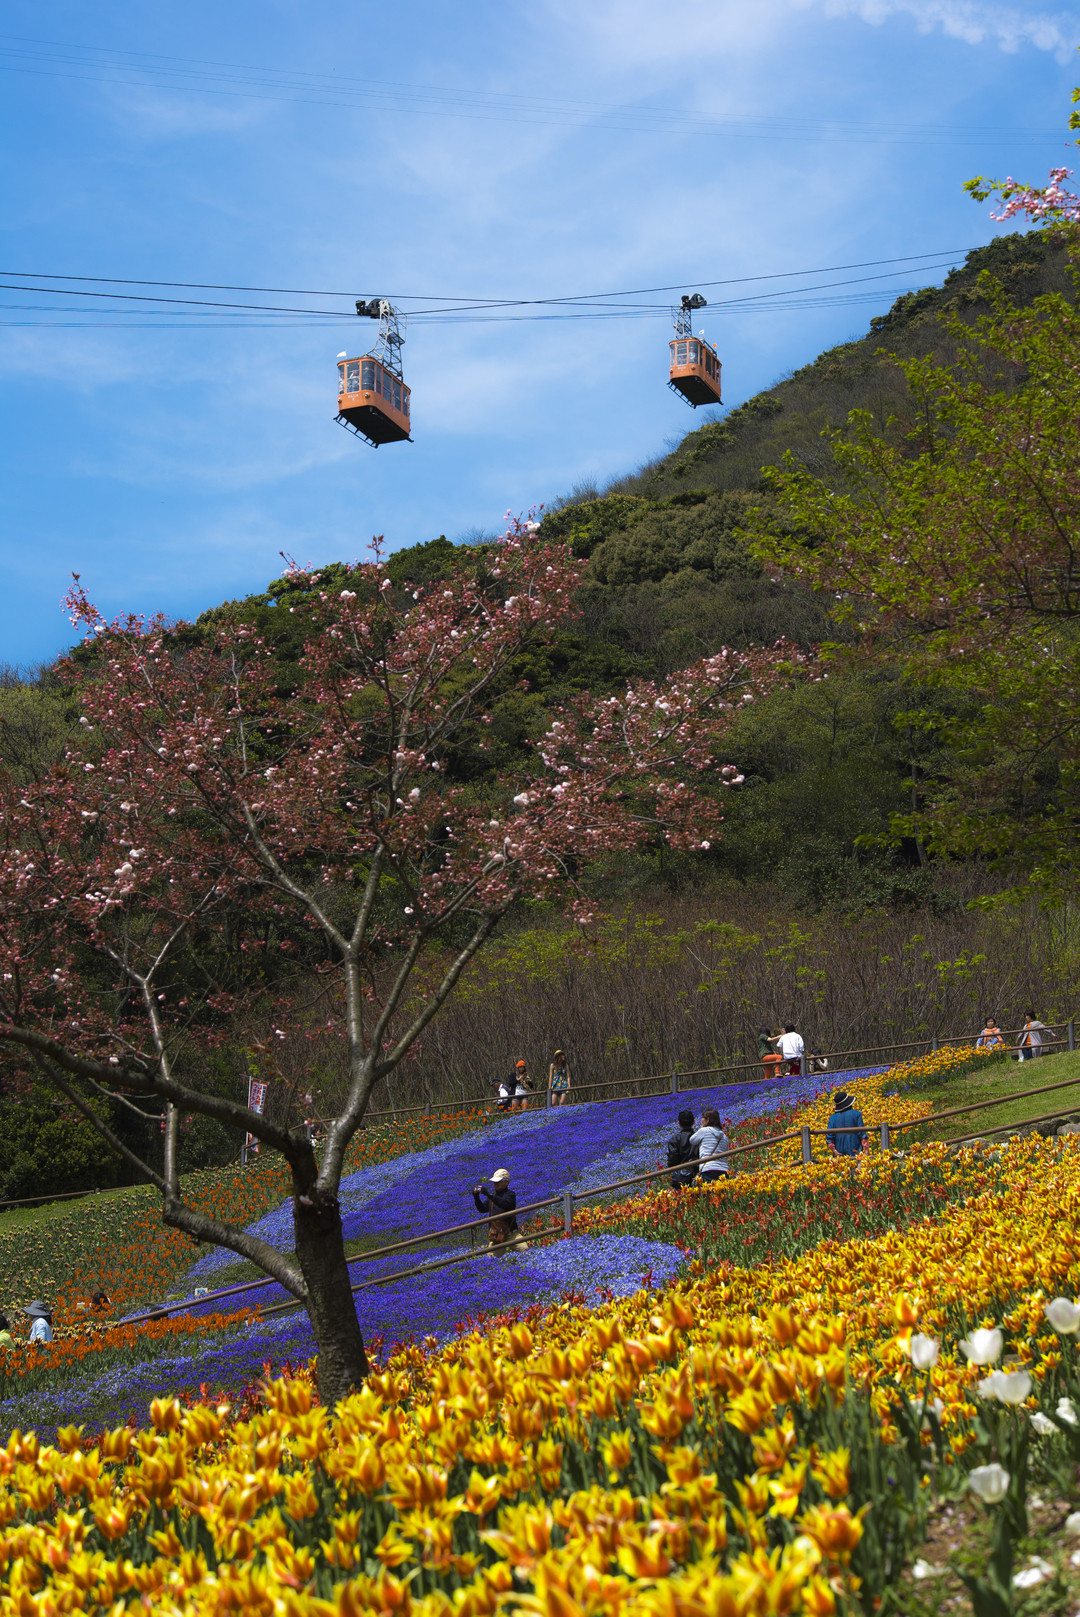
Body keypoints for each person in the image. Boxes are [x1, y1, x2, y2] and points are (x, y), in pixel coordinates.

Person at [472, 1168, 527, 1250]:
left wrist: (489, 1195)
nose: (495, 1184)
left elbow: (505, 1204)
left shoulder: (510, 1194)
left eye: (497, 1182)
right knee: (491, 1256)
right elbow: (482, 1209)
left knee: (524, 1249)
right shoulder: (493, 1197)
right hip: (496, 1235)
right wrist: (476, 1197)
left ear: (506, 1182)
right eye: (494, 1182)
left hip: (510, 1232)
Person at [690, 1109, 731, 1182]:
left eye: (703, 1118)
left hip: (708, 1168)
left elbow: (692, 1140)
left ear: (708, 1120)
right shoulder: (724, 1136)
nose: (701, 1120)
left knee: (710, 1189)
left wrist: (701, 1128)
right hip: (723, 1169)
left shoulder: (704, 1131)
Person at [825, 1090, 867, 1157]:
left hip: (839, 1152)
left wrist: (834, 1150)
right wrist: (866, 1150)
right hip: (855, 1151)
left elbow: (829, 1138)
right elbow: (862, 1134)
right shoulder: (856, 1114)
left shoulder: (832, 1118)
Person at [666, 1108, 700, 1187]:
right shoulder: (698, 1137)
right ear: (693, 1122)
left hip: (680, 1178)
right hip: (697, 1176)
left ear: (678, 1123)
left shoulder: (675, 1139)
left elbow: (672, 1160)